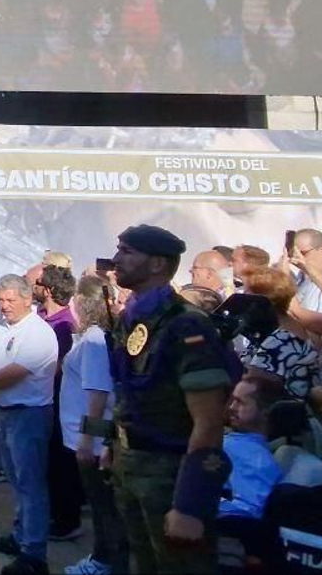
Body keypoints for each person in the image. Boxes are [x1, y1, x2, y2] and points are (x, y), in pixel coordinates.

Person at [108, 224, 238, 575]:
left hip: (170, 472)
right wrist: (111, 445)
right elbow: (129, 389)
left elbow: (209, 421)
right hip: (132, 465)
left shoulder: (186, 325)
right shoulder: (134, 318)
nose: (116, 259)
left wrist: (189, 502)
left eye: (127, 252)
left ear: (157, 264)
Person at [0, 275, 59, 575]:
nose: (4, 306)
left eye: (10, 300)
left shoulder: (38, 332)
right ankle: (21, 535)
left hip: (29, 414)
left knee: (31, 483)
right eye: (2, 300)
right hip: (4, 411)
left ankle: (34, 553)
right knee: (15, 479)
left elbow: (15, 372)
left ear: (26, 299)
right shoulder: (1, 327)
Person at [61, 276, 128, 575]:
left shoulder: (94, 340)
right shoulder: (91, 336)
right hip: (86, 435)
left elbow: (98, 392)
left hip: (93, 439)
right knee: (102, 505)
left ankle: (107, 562)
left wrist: (88, 440)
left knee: (104, 507)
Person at [33, 261, 83, 542]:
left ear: (49, 290)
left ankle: (67, 518)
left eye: (39, 284)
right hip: (42, 399)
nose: (35, 288)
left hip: (57, 400)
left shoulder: (64, 325)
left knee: (61, 462)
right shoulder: (41, 317)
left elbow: (59, 365)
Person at [238, 265, 320, 400]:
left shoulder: (283, 339)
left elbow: (251, 387)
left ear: (262, 301)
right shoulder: (272, 332)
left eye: (246, 295)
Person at [218, 375, 285, 521]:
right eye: (233, 400)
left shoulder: (254, 457)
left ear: (266, 411)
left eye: (240, 402)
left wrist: (198, 503)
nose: (231, 407)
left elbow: (249, 511)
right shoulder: (234, 443)